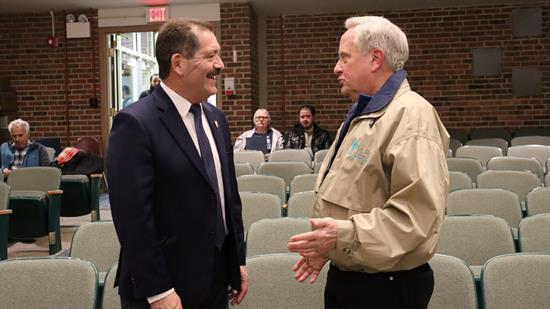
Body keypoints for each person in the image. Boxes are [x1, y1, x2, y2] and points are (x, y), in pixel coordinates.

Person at [287, 16, 449, 309]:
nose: (336, 68)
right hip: (356, 279)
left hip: (385, 289)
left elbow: (415, 219)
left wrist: (341, 236)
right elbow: (358, 193)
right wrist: (329, 247)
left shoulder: (411, 116)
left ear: (376, 59)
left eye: (344, 58)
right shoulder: (365, 114)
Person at [107, 19, 248, 309]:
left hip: (216, 280)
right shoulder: (135, 123)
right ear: (178, 63)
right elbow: (133, 218)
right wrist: (159, 291)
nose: (220, 64)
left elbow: (228, 200)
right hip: (164, 289)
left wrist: (237, 263)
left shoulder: (216, 120)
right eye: (210, 56)